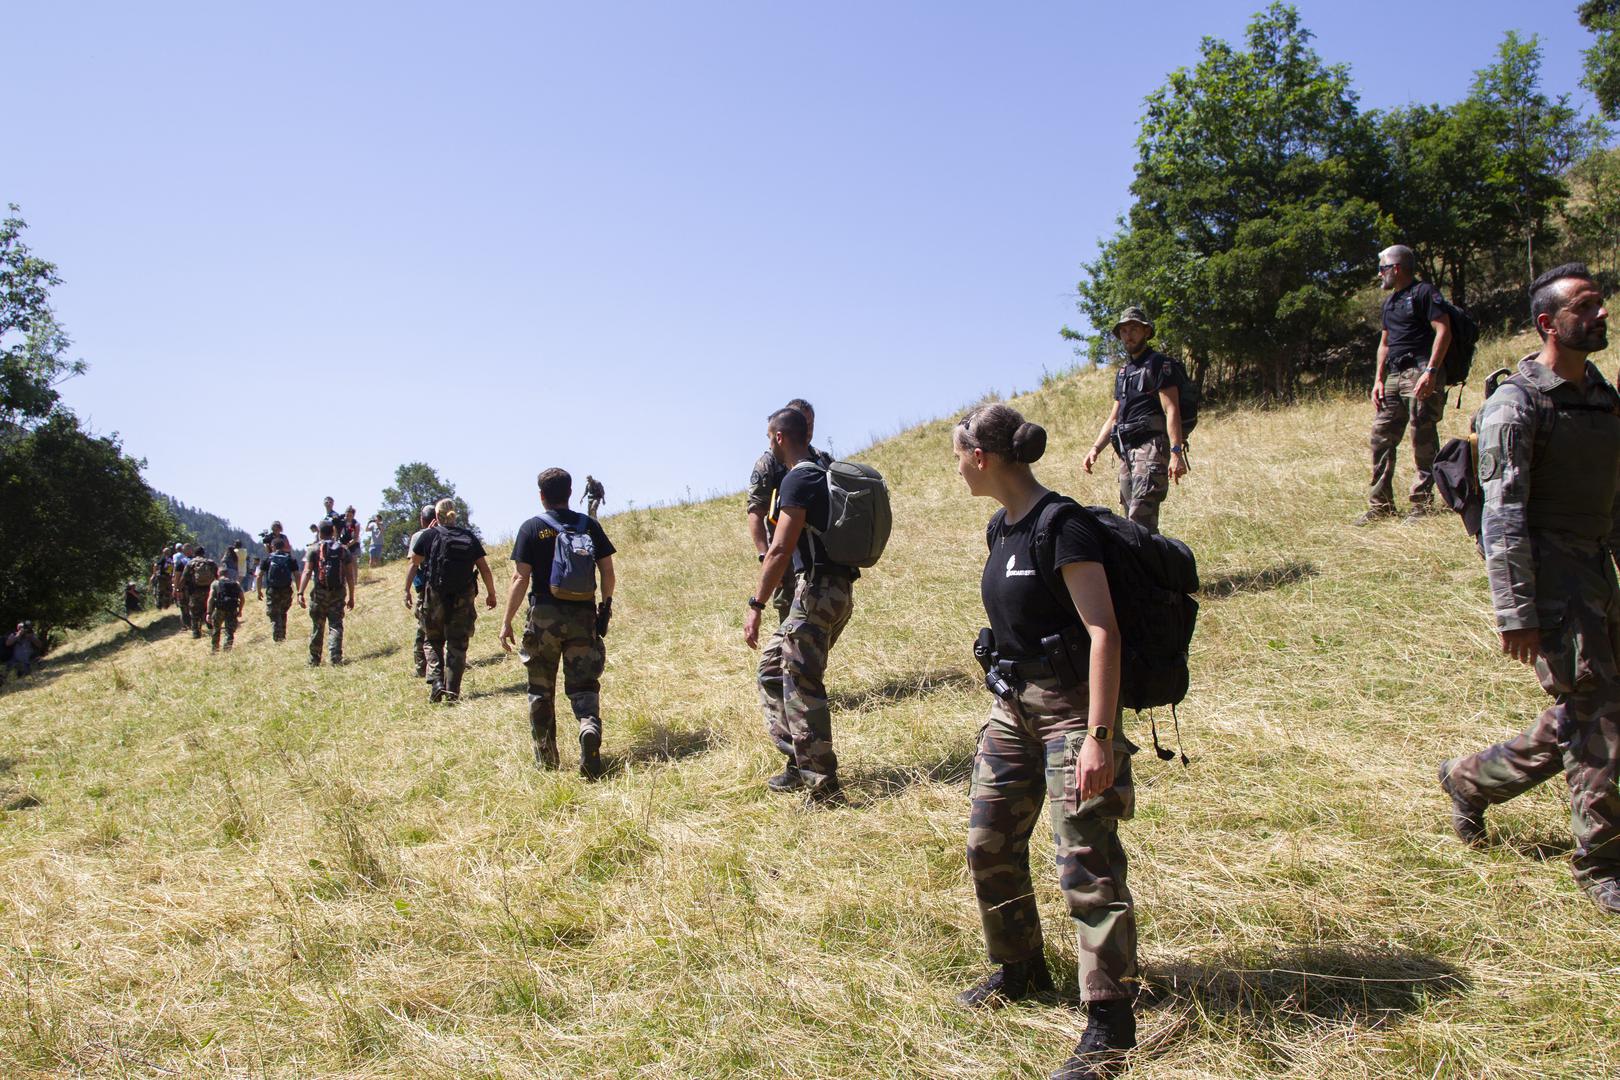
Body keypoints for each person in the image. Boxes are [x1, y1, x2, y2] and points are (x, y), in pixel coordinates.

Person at [954, 402, 1141, 1080]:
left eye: (960, 451)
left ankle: (1111, 1020)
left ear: (983, 456)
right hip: (1013, 711)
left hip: (1072, 714)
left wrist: (1098, 737)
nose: (957, 463)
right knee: (987, 843)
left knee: (1085, 862)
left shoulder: (1062, 526)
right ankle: (1020, 969)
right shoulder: (998, 529)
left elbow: (1103, 634)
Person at [1438, 263, 1620, 916]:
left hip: (1598, 572)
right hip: (1551, 582)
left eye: (1601, 303)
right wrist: (1516, 610)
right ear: (1548, 323)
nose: (1601, 313)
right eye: (1586, 306)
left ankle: (1469, 780)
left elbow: (1612, 495)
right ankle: (1600, 863)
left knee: (1589, 713)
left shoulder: (1599, 395)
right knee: (1599, 715)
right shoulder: (1518, 404)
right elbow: (1503, 515)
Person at [743, 406, 856, 803]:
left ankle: (822, 786)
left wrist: (756, 605)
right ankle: (797, 760)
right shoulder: (825, 470)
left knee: (802, 683)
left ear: (778, 438)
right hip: (837, 591)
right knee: (772, 670)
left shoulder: (799, 478)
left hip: (815, 591)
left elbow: (779, 549)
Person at [500, 468, 617, 776]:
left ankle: (547, 761)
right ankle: (588, 726)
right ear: (569, 492)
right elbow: (607, 570)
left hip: (543, 618)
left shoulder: (531, 528)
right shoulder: (588, 525)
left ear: (542, 495)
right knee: (584, 684)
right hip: (583, 614)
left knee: (541, 690)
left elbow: (520, 578)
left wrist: (507, 620)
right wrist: (604, 605)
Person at [1358, 244, 1454, 525]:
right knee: (1380, 437)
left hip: (1420, 371)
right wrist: (1378, 379)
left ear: (1396, 268)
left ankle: (1421, 505)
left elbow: (1443, 330)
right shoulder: (1390, 303)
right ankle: (1381, 505)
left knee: (1421, 438)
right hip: (1394, 377)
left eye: (1382, 269)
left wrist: (1431, 372)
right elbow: (1384, 343)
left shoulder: (1425, 293)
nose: (1379, 275)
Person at [1081, 307, 1190, 534]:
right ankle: (1145, 568)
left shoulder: (1159, 365)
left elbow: (1172, 410)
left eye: (1133, 329)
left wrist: (1176, 453)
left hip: (1150, 448)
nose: (1128, 335)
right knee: (1131, 522)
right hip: (1126, 450)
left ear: (1146, 332)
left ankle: (1154, 568)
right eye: (1123, 330)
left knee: (1140, 521)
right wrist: (1095, 449)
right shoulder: (1123, 373)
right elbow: (1114, 417)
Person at [407, 499, 497, 702]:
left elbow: (414, 563)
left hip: (435, 596)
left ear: (436, 516)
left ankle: (437, 681)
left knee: (432, 639)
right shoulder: (468, 537)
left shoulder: (429, 535)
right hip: (463, 598)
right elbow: (483, 567)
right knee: (457, 643)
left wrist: (406, 590)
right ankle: (452, 692)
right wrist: (491, 593)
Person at [298, 520, 355, 666]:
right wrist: (352, 596)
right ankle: (335, 658)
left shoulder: (314, 549)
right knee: (335, 625)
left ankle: (314, 660)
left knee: (318, 626)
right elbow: (350, 575)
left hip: (319, 593)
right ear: (333, 531)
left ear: (319, 532)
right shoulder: (343, 550)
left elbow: (307, 571)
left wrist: (300, 592)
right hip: (338, 592)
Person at [405, 504, 437, 677]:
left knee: (423, 628)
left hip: (424, 588)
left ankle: (421, 667)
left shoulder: (418, 536)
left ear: (422, 519)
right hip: (445, 587)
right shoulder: (446, 533)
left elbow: (413, 563)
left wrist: (406, 589)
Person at [256, 536, 300, 641]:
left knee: (274, 614)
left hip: (273, 590)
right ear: (284, 546)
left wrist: (259, 591)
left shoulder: (268, 559)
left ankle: (278, 638)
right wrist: (299, 591)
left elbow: (259, 576)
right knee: (283, 612)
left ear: (272, 546)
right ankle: (282, 636)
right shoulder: (290, 558)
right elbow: (297, 575)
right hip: (286, 590)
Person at [181, 546, 219, 639]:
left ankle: (196, 632)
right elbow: (217, 576)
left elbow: (184, 577)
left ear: (194, 553)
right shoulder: (210, 563)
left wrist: (179, 589)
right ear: (203, 553)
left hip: (195, 591)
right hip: (209, 590)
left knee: (195, 612)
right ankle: (211, 626)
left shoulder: (191, 563)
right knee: (209, 609)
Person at [206, 564, 245, 652]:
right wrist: (240, 610)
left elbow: (210, 598)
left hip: (219, 609)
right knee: (229, 630)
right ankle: (227, 650)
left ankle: (215, 650)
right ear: (227, 574)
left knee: (216, 629)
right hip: (232, 609)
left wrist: (208, 613)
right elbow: (242, 598)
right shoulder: (235, 583)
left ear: (218, 573)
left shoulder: (215, 583)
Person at [170, 544, 193, 629]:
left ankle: (186, 625)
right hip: (197, 588)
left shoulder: (181, 562)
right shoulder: (197, 561)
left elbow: (177, 577)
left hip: (184, 588)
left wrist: (176, 589)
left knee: (184, 607)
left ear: (184, 551)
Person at [150, 545, 173, 610]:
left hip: (161, 577)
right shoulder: (170, 559)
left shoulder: (163, 559)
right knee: (168, 591)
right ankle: (166, 605)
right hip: (168, 577)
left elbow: (155, 565)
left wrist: (154, 574)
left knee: (160, 592)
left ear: (163, 553)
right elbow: (171, 568)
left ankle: (159, 606)